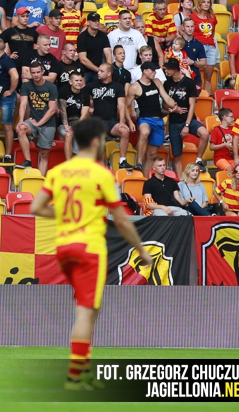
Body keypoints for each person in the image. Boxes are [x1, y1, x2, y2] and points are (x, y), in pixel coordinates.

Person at [29, 117, 150, 390]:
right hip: (90, 248)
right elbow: (121, 220)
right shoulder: (101, 174)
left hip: (64, 247)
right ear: (96, 142)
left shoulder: (59, 171)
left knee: (91, 310)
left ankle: (84, 372)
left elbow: (36, 207)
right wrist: (141, 250)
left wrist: (66, 216)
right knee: (85, 312)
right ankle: (74, 377)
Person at [162, 58, 207, 176]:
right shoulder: (167, 83)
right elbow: (164, 104)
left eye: (168, 68)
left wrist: (187, 125)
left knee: (205, 134)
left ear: (176, 69)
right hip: (174, 122)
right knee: (177, 156)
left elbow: (192, 105)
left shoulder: (189, 83)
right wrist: (172, 109)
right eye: (166, 68)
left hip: (189, 119)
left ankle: (199, 160)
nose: (166, 71)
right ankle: (181, 181)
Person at [81, 63, 131, 168]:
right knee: (100, 151)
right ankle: (102, 169)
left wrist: (121, 122)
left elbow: (122, 105)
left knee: (124, 131)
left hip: (111, 121)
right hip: (97, 122)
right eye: (98, 71)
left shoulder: (118, 87)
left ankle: (122, 161)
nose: (98, 73)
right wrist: (82, 119)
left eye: (101, 71)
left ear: (109, 73)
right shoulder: (91, 86)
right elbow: (85, 105)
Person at [16, 60, 58, 174]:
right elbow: (23, 104)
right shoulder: (26, 85)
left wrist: (39, 123)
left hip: (48, 123)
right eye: (33, 73)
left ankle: (40, 180)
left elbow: (52, 110)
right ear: (30, 73)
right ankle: (28, 161)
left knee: (44, 155)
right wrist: (21, 120)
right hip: (33, 120)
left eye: (38, 72)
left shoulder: (51, 87)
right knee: (21, 129)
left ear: (42, 72)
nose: (36, 75)